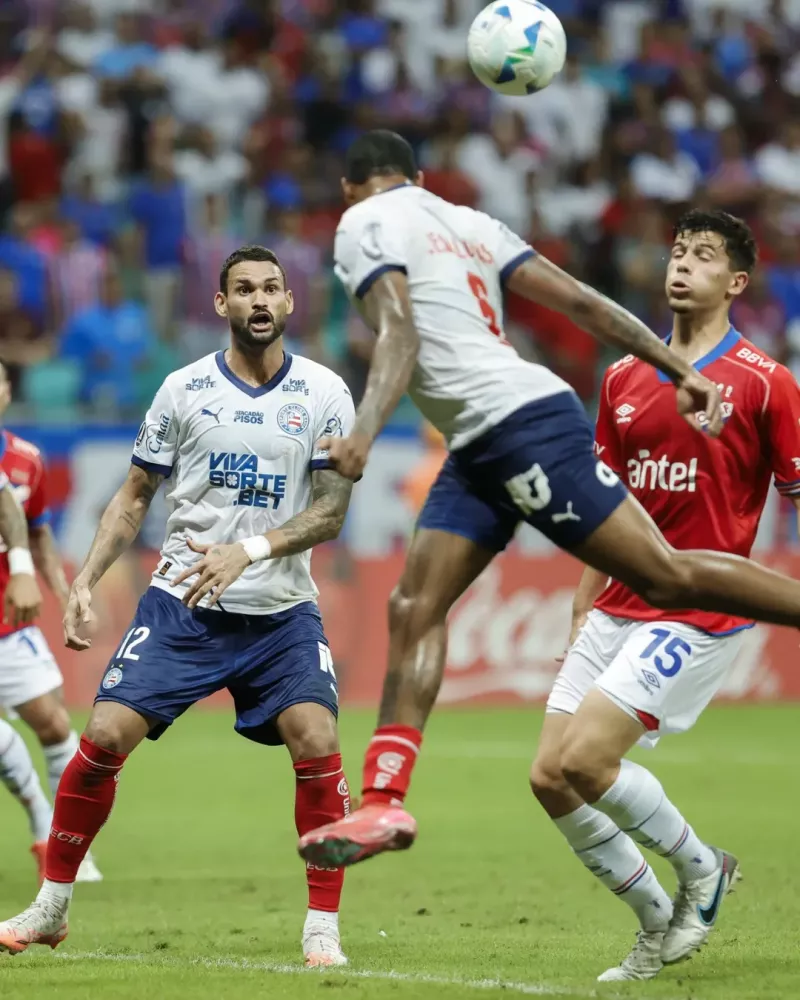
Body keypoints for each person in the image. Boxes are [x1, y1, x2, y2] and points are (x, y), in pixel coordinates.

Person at [296, 131, 800, 873]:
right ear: (420, 177)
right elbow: (584, 303)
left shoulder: (363, 222)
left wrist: (364, 432)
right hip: (477, 441)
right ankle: (383, 800)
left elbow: (399, 333)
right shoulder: (467, 221)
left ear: (350, 188)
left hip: (520, 424)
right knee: (413, 605)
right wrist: (678, 369)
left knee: (665, 575)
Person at [0, 246, 355, 968]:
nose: (260, 300)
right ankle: (52, 906)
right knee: (103, 734)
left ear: (290, 301)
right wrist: (86, 577)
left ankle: (323, 928)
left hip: (281, 609)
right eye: (245, 289)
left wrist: (248, 551)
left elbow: (331, 511)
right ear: (221, 304)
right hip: (182, 605)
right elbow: (134, 496)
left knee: (316, 738)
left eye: (272, 288)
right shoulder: (183, 389)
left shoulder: (325, 392)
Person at [530, 209, 798, 982]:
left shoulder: (766, 382)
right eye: (678, 251)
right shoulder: (622, 377)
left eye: (704, 256)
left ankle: (703, 869)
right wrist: (582, 601)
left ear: (736, 282)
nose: (682, 264)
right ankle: (654, 921)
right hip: (616, 602)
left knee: (588, 759)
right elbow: (604, 504)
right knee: (549, 777)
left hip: (699, 608)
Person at [0, 361, 102, 884]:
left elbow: (35, 531)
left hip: (8, 621)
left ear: (8, 391)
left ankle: (67, 843)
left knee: (56, 724)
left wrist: (65, 594)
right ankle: (43, 820)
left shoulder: (26, 461)